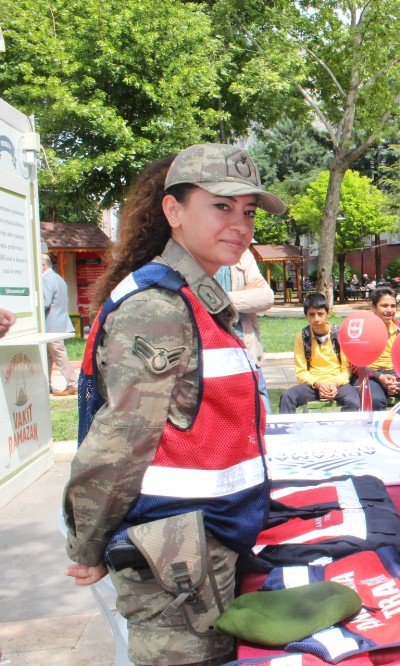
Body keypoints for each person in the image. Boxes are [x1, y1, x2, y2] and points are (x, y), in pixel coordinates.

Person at [63, 143, 286, 666]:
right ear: (173, 212)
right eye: (221, 206)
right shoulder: (158, 310)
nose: (240, 224)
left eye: (248, 211)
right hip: (175, 558)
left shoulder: (196, 297)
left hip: (205, 544)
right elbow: (118, 443)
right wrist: (88, 546)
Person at [278, 292, 359, 414]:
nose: (316, 319)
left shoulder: (339, 333)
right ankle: (289, 431)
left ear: (328, 314)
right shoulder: (302, 336)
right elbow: (301, 371)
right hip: (313, 384)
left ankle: (341, 430)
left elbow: (346, 369)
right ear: (306, 316)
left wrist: (334, 384)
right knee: (287, 397)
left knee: (354, 402)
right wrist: (318, 384)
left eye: (320, 314)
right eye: (311, 314)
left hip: (337, 382)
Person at [217, 249, 274, 411]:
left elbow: (266, 298)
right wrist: (245, 295)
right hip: (214, 350)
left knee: (261, 403)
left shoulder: (243, 254)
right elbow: (196, 302)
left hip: (247, 348)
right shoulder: (197, 251)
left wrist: (222, 301)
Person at [358, 287, 400, 409]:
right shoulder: (362, 332)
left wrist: (393, 380)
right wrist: (380, 377)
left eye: (393, 306)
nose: (389, 310)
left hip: (395, 374)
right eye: (384, 306)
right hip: (370, 375)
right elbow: (356, 364)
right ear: (373, 308)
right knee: (376, 400)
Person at [41, 253, 78, 396]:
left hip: (51, 325)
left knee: (59, 355)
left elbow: (45, 302)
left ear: (43, 266)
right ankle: (47, 385)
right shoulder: (58, 279)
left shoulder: (46, 279)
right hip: (59, 322)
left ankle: (72, 383)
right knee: (49, 356)